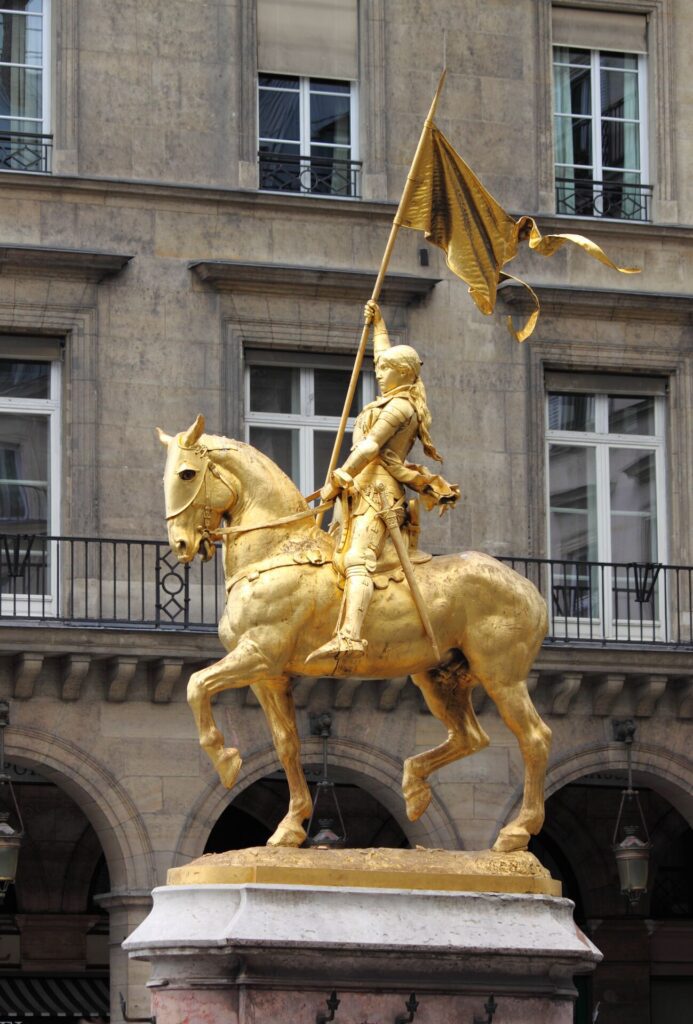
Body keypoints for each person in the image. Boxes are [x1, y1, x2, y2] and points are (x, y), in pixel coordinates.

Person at [307, 300, 459, 663]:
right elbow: (382, 354)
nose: (379, 372)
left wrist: (344, 472)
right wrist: (378, 324)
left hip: (378, 493)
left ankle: (350, 636)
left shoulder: (401, 407)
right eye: (380, 367)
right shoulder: (390, 396)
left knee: (358, 559)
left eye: (387, 369)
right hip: (359, 491)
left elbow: (373, 446)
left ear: (403, 375)